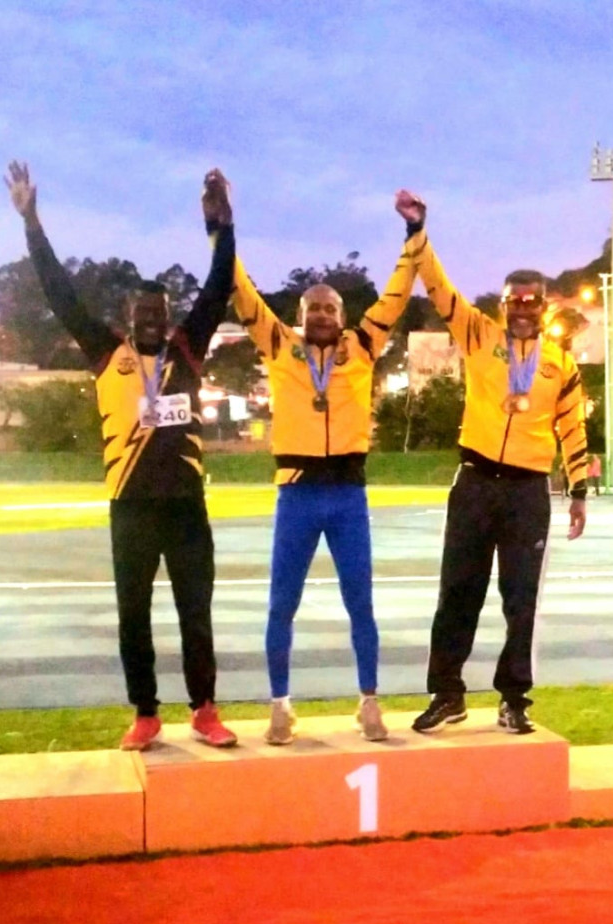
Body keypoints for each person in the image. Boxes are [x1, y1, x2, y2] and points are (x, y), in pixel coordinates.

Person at [6, 161, 238, 752]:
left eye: (160, 314)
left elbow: (218, 285)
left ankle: (205, 710)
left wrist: (222, 226)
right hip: (130, 508)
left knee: (196, 614)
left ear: (169, 317)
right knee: (132, 615)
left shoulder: (189, 345)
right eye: (143, 316)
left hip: (187, 507)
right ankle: (145, 713)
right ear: (129, 321)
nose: (154, 323)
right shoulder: (106, 351)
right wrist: (31, 222)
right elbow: (59, 292)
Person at [202, 171, 427, 745]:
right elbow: (240, 290)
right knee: (283, 603)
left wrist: (414, 234)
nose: (323, 314)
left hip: (348, 494)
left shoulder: (365, 346)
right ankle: (281, 705)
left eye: (331, 307)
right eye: (314, 308)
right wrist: (219, 227)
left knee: (361, 603)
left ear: (344, 315)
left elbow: (398, 296)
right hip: (297, 493)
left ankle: (369, 702)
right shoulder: (281, 345)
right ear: (301, 316)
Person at [398, 189, 588, 735]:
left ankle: (514, 699)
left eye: (532, 301)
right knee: (457, 589)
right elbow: (438, 288)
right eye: (515, 301)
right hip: (476, 480)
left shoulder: (560, 364)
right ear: (503, 304)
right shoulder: (479, 335)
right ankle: (448, 693)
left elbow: (573, 426)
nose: (523, 309)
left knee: (520, 599)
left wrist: (577, 491)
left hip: (528, 491)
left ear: (544, 305)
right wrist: (417, 231)